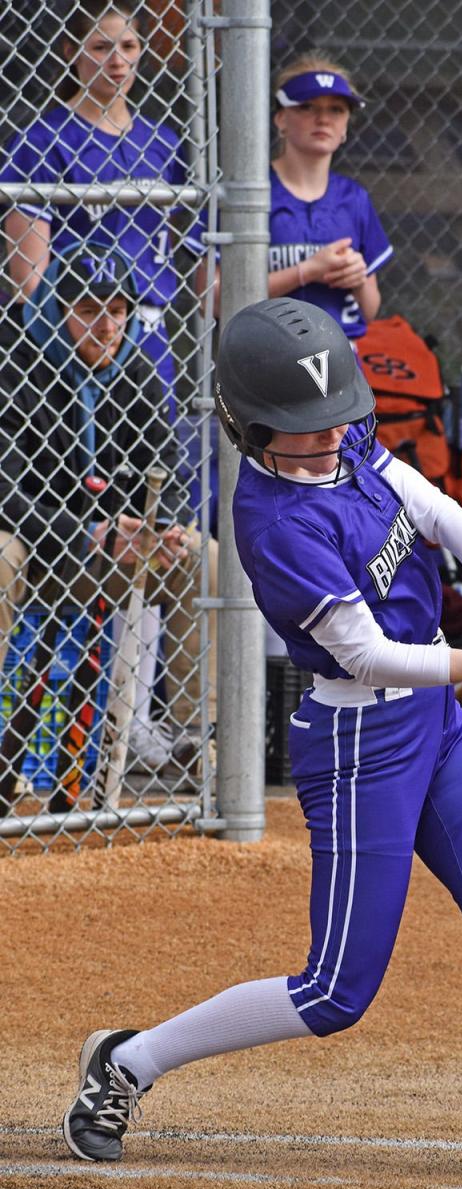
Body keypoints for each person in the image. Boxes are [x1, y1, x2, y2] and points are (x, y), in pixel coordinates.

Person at [58, 298, 462, 1189]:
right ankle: (126, 1062)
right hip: (359, 740)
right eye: (303, 435)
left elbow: (438, 512)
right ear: (248, 430)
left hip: (436, 724)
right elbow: (362, 651)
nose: (328, 446)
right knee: (335, 993)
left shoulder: (343, 439)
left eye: (335, 427)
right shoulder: (276, 524)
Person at [2, 0, 210, 771]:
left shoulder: (163, 142)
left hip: (143, 337)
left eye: (128, 45)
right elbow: (27, 272)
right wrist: (40, 341)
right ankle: (76, 722)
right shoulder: (44, 136)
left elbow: (194, 267)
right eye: (99, 45)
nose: (117, 59)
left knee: (150, 510)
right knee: (70, 487)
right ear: (72, 53)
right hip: (70, 335)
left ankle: (140, 719)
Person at [0, 242, 216, 779]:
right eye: (89, 310)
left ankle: (198, 742)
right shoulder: (14, 363)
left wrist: (159, 526)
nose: (107, 327)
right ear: (54, 305)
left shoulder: (136, 367)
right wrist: (86, 533)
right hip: (35, 547)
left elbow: (168, 463)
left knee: (204, 557)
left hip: (112, 550)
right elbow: (4, 491)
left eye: (116, 310)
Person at [200, 53, 392, 341]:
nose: (323, 119)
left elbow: (371, 309)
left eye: (337, 110)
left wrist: (358, 278)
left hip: (341, 363)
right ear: (281, 119)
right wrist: (306, 272)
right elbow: (209, 299)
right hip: (265, 356)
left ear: (346, 126)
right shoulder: (244, 194)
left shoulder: (354, 198)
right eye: (306, 106)